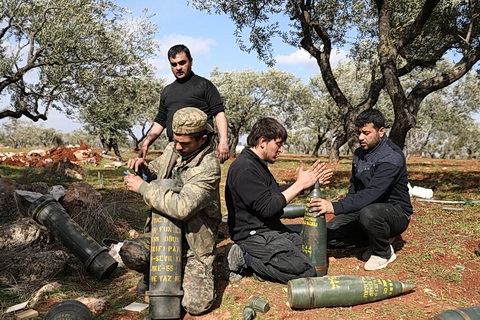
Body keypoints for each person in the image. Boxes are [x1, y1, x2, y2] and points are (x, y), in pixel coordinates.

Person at [121, 107, 221, 315]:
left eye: (184, 143)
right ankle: (154, 274)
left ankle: (191, 268)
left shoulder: (209, 168)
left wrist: (143, 188)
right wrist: (144, 169)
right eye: (175, 140)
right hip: (164, 235)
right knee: (130, 252)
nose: (178, 147)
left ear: (202, 139)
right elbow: (158, 171)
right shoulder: (174, 148)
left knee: (195, 306)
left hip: (193, 243)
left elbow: (182, 207)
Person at [224, 117, 333, 284]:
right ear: (262, 142)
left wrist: (306, 186)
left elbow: (273, 194)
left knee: (311, 253)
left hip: (271, 229)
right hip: (253, 235)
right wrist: (299, 185)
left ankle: (264, 265)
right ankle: (244, 258)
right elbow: (269, 208)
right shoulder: (245, 168)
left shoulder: (257, 164)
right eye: (278, 144)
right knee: (305, 272)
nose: (281, 149)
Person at [309, 109, 413, 271]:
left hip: (394, 212)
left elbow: (373, 192)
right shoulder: (359, 153)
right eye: (359, 133)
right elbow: (355, 188)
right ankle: (377, 238)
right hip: (364, 208)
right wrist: (344, 214)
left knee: (370, 214)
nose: (360, 138)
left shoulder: (392, 156)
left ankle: (383, 252)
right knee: (328, 235)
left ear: (381, 131)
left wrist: (335, 207)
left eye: (366, 133)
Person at [139, 44, 230, 163]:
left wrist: (223, 142)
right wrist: (146, 143)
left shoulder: (204, 85)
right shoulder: (167, 91)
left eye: (182, 63)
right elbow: (161, 120)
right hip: (174, 150)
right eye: (174, 64)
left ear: (191, 61)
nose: (178, 68)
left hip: (200, 151)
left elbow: (219, 114)